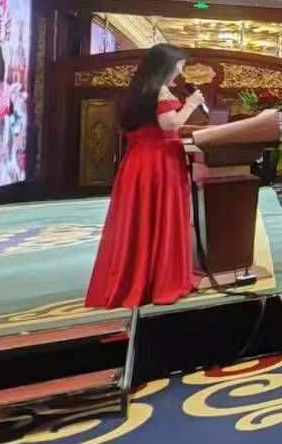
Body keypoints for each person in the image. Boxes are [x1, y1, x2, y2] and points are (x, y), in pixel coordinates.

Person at [85, 44, 201, 309]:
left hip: (138, 162)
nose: (180, 71)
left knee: (139, 219)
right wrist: (191, 105)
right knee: (160, 216)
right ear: (166, 65)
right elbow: (170, 124)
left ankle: (137, 278)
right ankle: (160, 281)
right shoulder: (160, 90)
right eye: (179, 65)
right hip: (159, 162)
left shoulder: (137, 91)